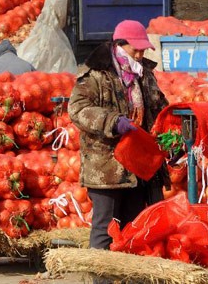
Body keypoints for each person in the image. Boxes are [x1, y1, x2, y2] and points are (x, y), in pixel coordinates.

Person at [68, 19, 171, 250]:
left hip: (138, 166)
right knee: (105, 227)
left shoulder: (144, 74)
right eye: (136, 48)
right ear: (120, 45)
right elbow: (77, 109)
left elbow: (159, 106)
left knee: (133, 228)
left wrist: (170, 126)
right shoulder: (96, 75)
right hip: (106, 167)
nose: (140, 54)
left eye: (143, 49)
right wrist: (113, 121)